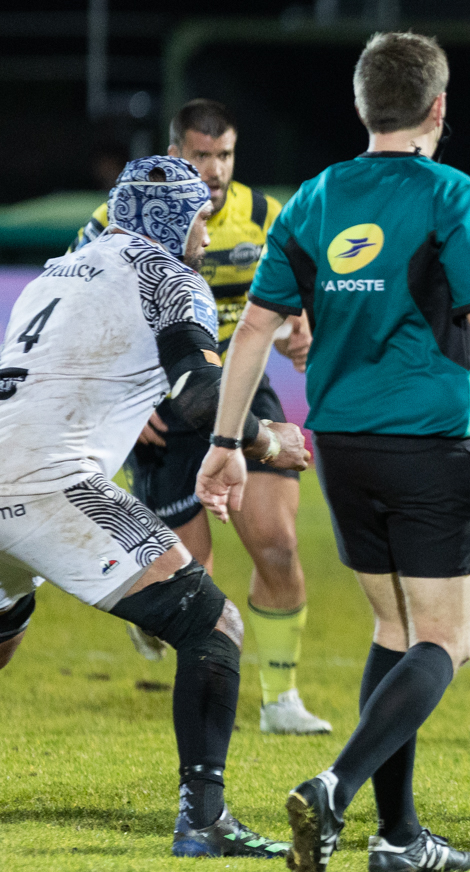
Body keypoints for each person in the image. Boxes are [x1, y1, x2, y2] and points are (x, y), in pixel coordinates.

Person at [196, 31, 470, 872]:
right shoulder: (452, 193)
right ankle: (334, 788)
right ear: (439, 107)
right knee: (446, 640)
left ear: (362, 105)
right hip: (428, 446)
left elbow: (255, 328)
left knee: (396, 630)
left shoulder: (313, 198)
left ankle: (399, 836)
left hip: (341, 446)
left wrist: (226, 444)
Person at [0, 155, 310, 857]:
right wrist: (266, 439)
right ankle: (204, 820)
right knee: (212, 624)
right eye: (198, 216)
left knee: (4, 633)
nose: (206, 231)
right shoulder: (169, 277)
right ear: (170, 221)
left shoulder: (57, 271)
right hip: (51, 482)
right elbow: (199, 394)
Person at [72, 99, 327, 735]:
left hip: (236, 393)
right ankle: (161, 628)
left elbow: (300, 291)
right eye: (201, 155)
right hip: (158, 405)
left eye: (225, 155)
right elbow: (78, 311)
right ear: (174, 154)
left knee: (277, 543)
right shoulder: (116, 217)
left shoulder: (264, 215)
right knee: (190, 576)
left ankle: (280, 700)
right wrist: (122, 407)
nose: (215, 170)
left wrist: (300, 326)